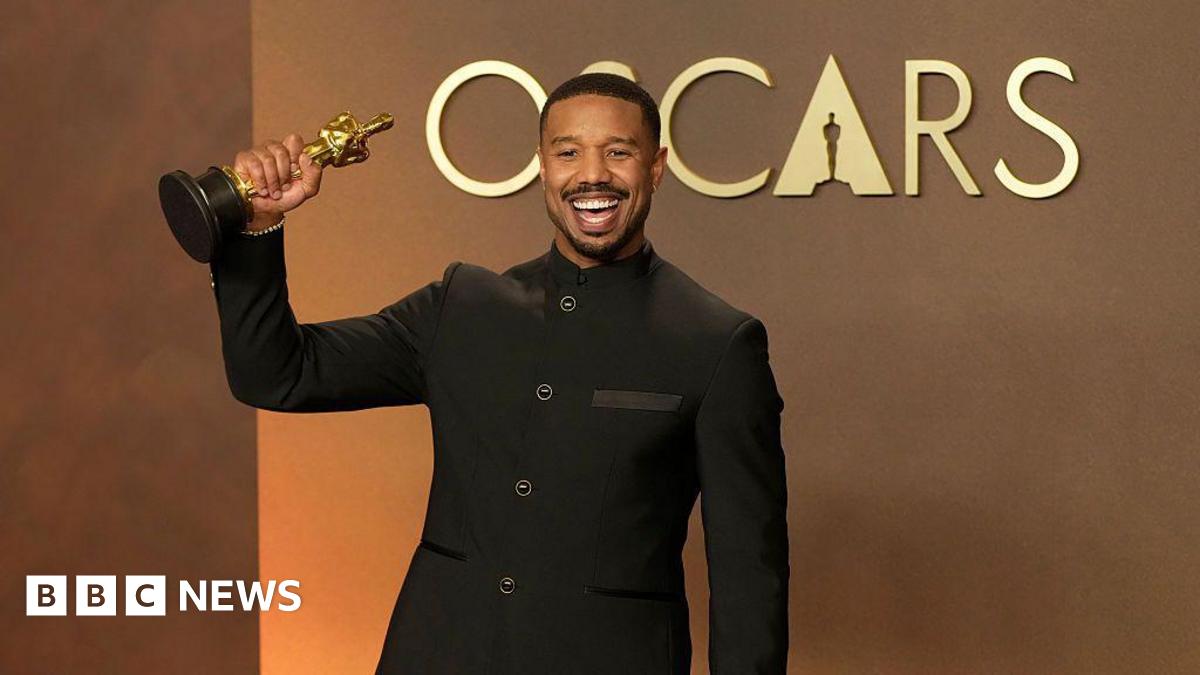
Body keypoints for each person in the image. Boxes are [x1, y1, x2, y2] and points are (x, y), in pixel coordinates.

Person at [210, 73, 789, 674]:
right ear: (543, 166)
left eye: (618, 152)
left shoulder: (717, 342)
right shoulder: (461, 308)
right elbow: (277, 373)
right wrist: (258, 228)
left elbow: (750, 575)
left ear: (657, 167)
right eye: (568, 152)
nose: (592, 175)